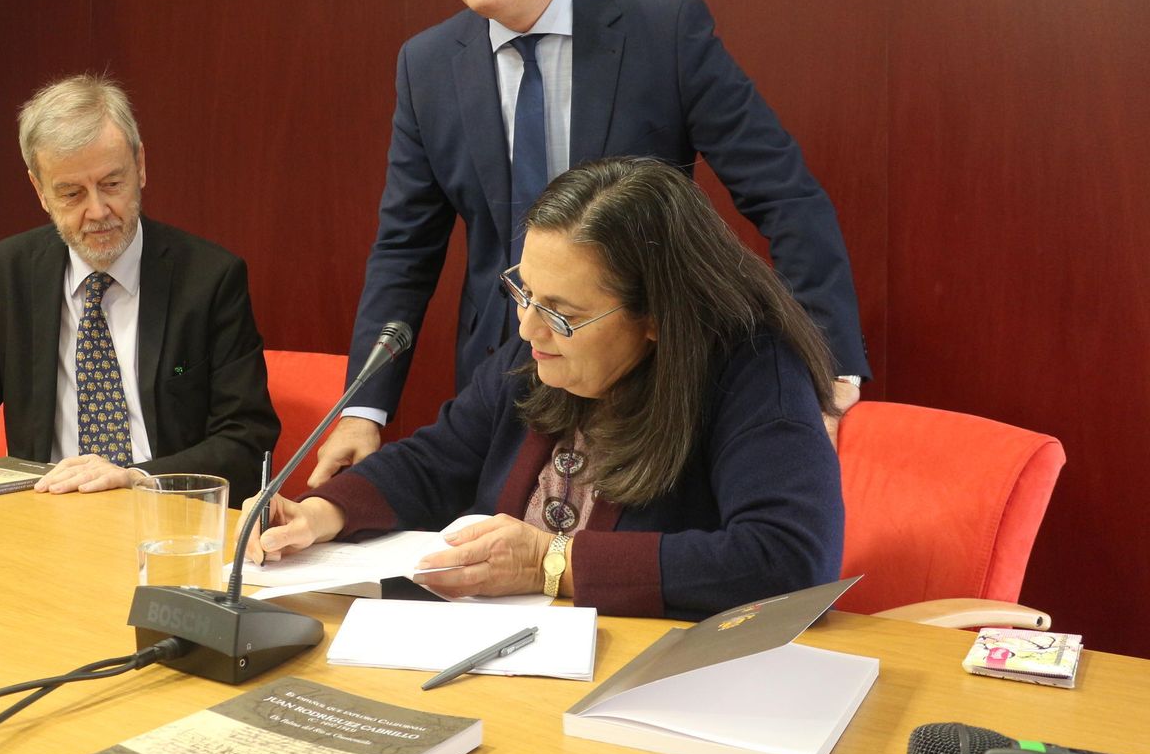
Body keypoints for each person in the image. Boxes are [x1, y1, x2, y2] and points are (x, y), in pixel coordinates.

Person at [314, 0, 867, 486]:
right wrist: (363, 406)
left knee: (615, 565)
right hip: (502, 382)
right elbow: (405, 248)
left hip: (645, 373)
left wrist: (826, 366)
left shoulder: (663, 32)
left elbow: (783, 194)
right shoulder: (427, 65)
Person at [254, 157, 842, 620]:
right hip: (499, 647)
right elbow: (440, 459)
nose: (528, 327)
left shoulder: (755, 373)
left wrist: (551, 562)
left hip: (652, 681)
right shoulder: (536, 343)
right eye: (523, 292)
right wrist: (319, 514)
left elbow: (787, 557)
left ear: (659, 315)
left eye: (561, 312)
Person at [0, 74, 279, 501]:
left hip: (160, 515)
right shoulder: (3, 273)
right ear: (39, 190)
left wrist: (137, 478)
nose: (98, 210)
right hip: (42, 514)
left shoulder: (209, 278)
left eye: (112, 183)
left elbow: (245, 438)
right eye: (71, 194)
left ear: (141, 166)